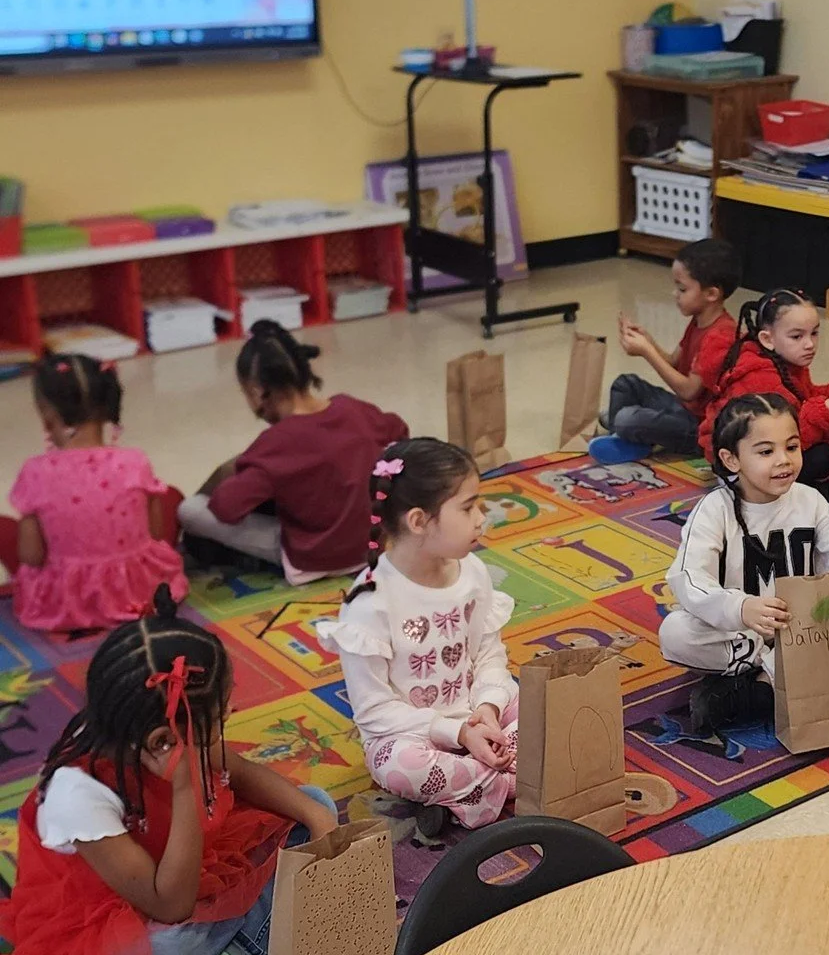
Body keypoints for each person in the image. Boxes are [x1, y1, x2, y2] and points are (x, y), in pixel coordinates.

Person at [0, 590, 337, 955]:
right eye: (219, 720)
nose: (226, 724)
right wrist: (183, 788)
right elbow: (169, 904)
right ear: (162, 741)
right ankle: (240, 954)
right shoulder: (77, 793)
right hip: (132, 909)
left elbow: (235, 771)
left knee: (317, 805)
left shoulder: (167, 730)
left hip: (196, 862)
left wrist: (315, 816)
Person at [318, 438, 518, 841]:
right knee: (399, 766)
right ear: (418, 521)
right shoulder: (370, 606)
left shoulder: (474, 573)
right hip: (414, 735)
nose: (482, 517)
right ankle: (508, 779)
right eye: (468, 507)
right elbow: (375, 714)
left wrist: (488, 710)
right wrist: (458, 733)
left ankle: (475, 788)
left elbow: (488, 655)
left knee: (532, 699)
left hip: (477, 716)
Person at [661, 392, 829, 732]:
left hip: (803, 626)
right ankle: (794, 676)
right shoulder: (715, 509)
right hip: (740, 631)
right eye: (766, 451)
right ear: (731, 459)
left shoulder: (811, 501)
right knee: (676, 633)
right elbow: (689, 578)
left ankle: (761, 688)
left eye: (792, 447)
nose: (783, 460)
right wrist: (741, 608)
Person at [179, 320, 408, 581]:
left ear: (257, 392)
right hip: (374, 546)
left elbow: (225, 508)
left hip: (310, 560)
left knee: (189, 510)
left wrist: (243, 468)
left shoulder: (275, 443)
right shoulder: (354, 409)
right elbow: (399, 430)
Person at [7, 353, 186, 633]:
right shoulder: (135, 461)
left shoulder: (35, 472)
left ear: (47, 416)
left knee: (10, 531)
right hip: (140, 592)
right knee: (168, 497)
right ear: (107, 406)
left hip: (67, 603)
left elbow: (31, 556)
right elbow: (155, 533)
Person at [701, 288, 829, 503]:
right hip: (741, 471)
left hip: (761, 454)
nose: (809, 344)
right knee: (823, 456)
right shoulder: (759, 377)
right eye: (797, 336)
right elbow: (784, 437)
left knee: (826, 451)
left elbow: (803, 397)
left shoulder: (785, 361)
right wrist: (827, 408)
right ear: (767, 339)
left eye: (814, 333)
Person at [593, 237, 741, 463]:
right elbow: (673, 361)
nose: (675, 294)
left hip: (700, 428)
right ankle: (627, 434)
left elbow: (688, 391)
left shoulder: (721, 335)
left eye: (682, 289)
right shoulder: (699, 320)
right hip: (684, 410)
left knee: (626, 418)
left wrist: (646, 352)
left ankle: (626, 430)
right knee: (625, 384)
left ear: (711, 294)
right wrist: (648, 341)